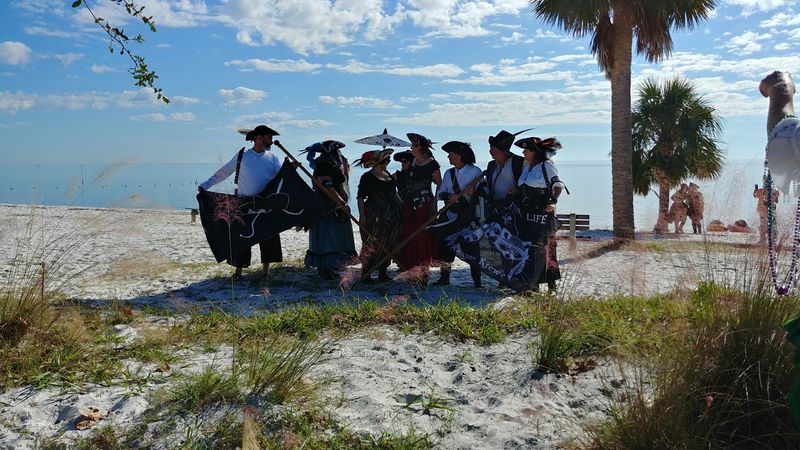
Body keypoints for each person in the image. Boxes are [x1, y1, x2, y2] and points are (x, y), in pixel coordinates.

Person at [198, 125, 283, 281]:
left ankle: (266, 271)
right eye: (269, 137)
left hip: (266, 205)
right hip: (244, 204)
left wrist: (292, 170)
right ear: (258, 138)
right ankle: (238, 272)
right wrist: (205, 185)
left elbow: (281, 178)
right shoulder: (242, 156)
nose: (271, 141)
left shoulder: (273, 158)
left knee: (268, 238)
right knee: (241, 239)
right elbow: (224, 172)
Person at [514, 136, 565, 293]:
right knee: (528, 247)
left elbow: (558, 185)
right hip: (526, 213)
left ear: (533, 152)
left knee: (546, 246)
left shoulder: (546, 165)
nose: (523, 153)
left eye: (526, 150)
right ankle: (531, 284)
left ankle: (551, 284)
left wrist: (553, 201)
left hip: (542, 212)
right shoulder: (526, 166)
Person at [432, 141, 484, 288]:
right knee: (446, 247)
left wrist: (473, 192)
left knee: (473, 249)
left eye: (451, 154)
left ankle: (477, 282)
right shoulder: (449, 173)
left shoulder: (475, 172)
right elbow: (440, 194)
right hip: (452, 216)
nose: (448, 157)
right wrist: (450, 196)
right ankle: (444, 278)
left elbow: (484, 194)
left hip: (469, 217)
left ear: (459, 155)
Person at [303, 140, 357, 280]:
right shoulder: (325, 164)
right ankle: (326, 267)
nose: (340, 153)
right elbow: (327, 185)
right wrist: (340, 202)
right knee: (328, 238)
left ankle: (333, 266)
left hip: (332, 206)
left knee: (335, 237)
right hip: (327, 207)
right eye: (338, 150)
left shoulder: (329, 163)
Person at [396, 133, 441, 281]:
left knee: (422, 235)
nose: (411, 148)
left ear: (421, 147)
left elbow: (439, 183)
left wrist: (435, 201)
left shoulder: (432, 163)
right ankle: (411, 267)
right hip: (409, 203)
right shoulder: (414, 161)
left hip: (423, 204)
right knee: (410, 233)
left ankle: (423, 270)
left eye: (414, 146)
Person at [355, 149, 403, 283]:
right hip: (374, 215)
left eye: (388, 160)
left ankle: (383, 272)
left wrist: (402, 206)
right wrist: (362, 217)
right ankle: (366, 274)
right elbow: (360, 197)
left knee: (389, 242)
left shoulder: (388, 175)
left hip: (391, 215)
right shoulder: (367, 177)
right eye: (385, 161)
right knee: (371, 243)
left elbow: (394, 193)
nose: (387, 163)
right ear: (377, 163)